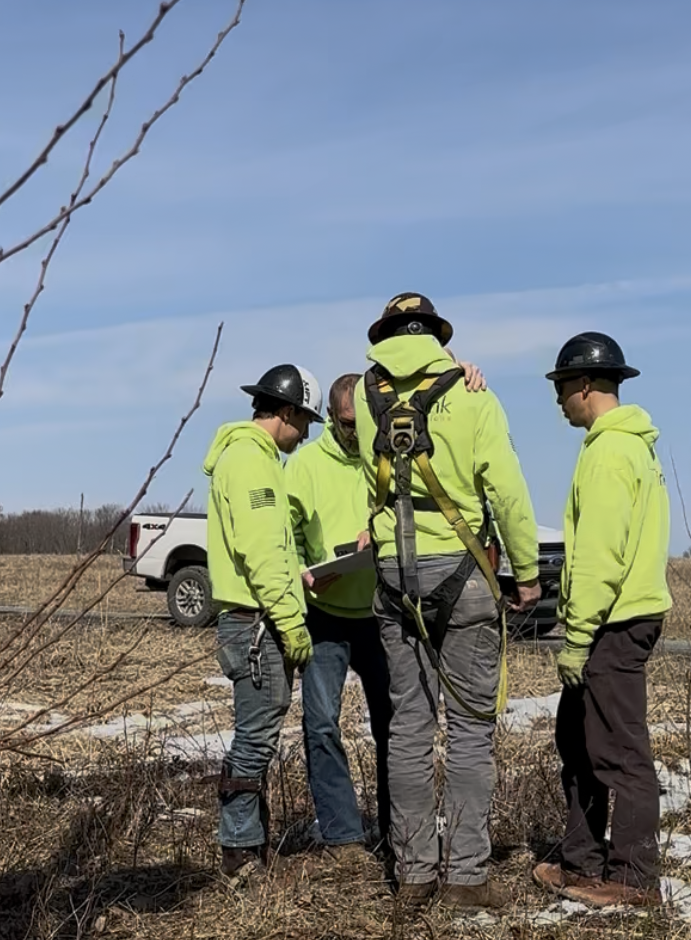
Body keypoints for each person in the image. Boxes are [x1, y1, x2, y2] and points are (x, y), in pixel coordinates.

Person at [352, 291, 541, 910]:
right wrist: (527, 573)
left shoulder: (364, 394)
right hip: (463, 577)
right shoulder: (471, 392)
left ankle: (412, 875)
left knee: (407, 727)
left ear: (384, 334)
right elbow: (506, 490)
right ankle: (465, 877)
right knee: (468, 731)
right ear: (438, 334)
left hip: (392, 580)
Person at [286, 360, 489, 870]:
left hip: (383, 613)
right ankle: (343, 836)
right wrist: (301, 572)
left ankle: (398, 830)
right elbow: (280, 536)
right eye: (349, 424)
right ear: (332, 418)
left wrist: (465, 374)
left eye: (364, 422)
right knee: (322, 725)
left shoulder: (393, 451)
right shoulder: (305, 466)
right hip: (324, 614)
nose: (358, 433)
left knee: (397, 728)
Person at [531, 331, 672, 908]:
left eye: (562, 387)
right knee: (580, 741)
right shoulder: (622, 446)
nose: (558, 399)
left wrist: (578, 636)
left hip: (614, 622)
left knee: (620, 752)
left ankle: (633, 881)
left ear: (585, 385)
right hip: (615, 619)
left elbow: (598, 556)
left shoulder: (612, 452)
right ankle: (582, 861)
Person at [203, 362, 325, 883]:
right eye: (307, 422)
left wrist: (294, 579)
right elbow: (257, 552)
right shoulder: (251, 462)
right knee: (254, 740)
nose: (306, 434)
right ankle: (240, 859)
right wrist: (288, 619)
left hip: (259, 615)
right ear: (288, 412)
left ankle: (252, 846)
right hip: (256, 625)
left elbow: (266, 549)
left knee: (261, 738)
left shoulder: (257, 459)